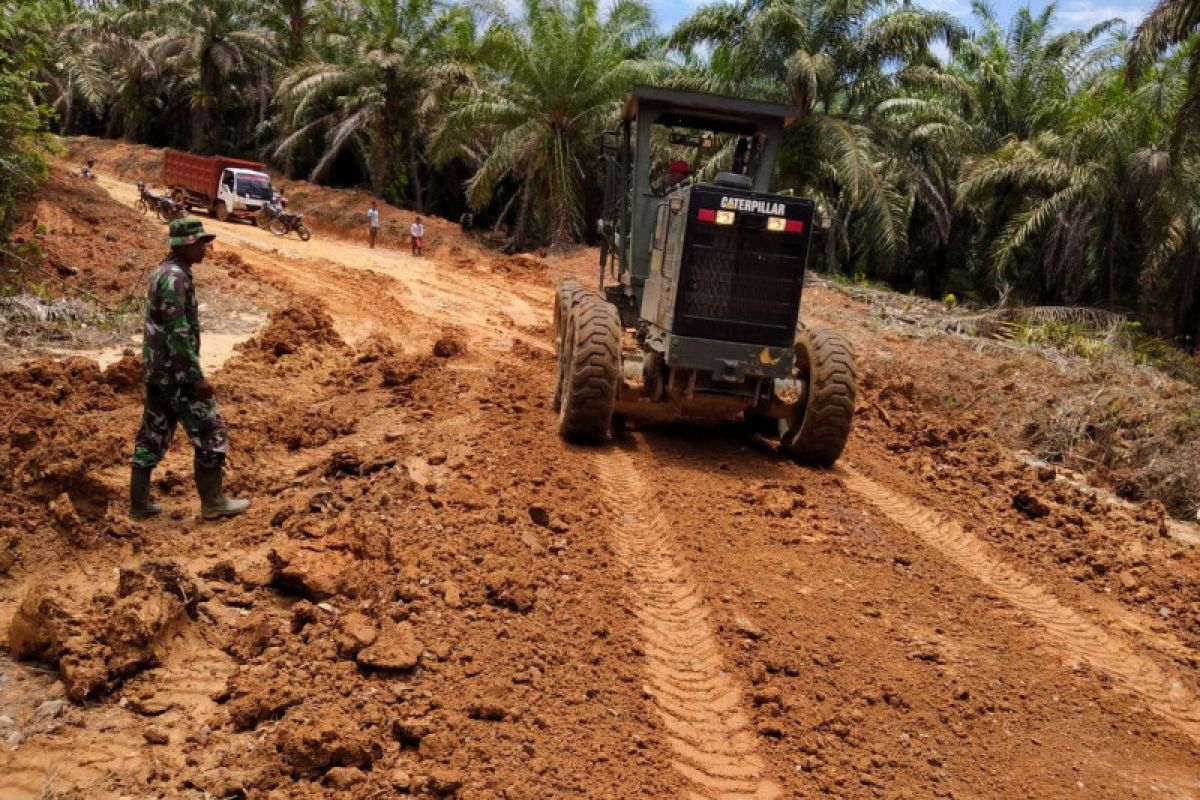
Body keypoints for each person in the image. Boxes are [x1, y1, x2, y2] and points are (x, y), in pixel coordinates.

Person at [130, 217, 250, 521]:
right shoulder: (175, 278)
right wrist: (195, 377)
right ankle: (213, 502)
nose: (205, 249)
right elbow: (176, 332)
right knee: (210, 430)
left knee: (153, 434)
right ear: (183, 244)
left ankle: (139, 505)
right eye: (199, 243)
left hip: (159, 372)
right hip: (176, 373)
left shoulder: (167, 272)